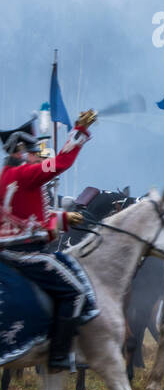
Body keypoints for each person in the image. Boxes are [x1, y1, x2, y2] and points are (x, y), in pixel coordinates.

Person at [0, 110, 98, 372]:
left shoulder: (7, 177)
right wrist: (79, 131)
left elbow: (26, 218)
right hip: (25, 254)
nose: (36, 154)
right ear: (20, 149)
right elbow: (61, 162)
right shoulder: (23, 175)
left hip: (15, 250)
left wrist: (65, 219)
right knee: (76, 293)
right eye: (32, 150)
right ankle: (58, 356)